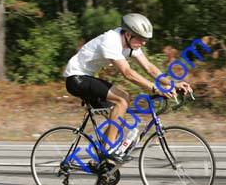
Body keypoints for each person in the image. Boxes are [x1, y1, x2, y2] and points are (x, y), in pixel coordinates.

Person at [63, 13, 192, 164]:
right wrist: (156, 89)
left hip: (87, 77)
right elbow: (127, 73)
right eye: (141, 39)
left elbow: (149, 68)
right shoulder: (111, 41)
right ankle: (107, 154)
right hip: (76, 78)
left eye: (146, 40)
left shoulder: (130, 42)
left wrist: (171, 84)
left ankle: (98, 164)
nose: (144, 43)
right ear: (129, 34)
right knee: (123, 98)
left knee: (118, 124)